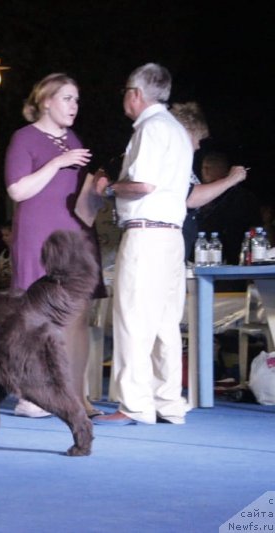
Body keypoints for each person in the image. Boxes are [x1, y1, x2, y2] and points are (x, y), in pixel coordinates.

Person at [92, 63, 193, 425]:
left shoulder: (150, 129)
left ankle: (133, 404)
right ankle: (167, 402)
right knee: (166, 322)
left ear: (135, 94)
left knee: (133, 318)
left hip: (146, 232)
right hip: (171, 235)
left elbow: (143, 185)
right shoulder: (177, 130)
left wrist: (109, 188)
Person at [5, 72, 107, 419]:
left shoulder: (72, 139)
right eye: (67, 98)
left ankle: (74, 395)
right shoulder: (25, 138)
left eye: (77, 99)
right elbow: (18, 190)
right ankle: (31, 395)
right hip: (39, 237)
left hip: (75, 237)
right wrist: (57, 163)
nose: (74, 106)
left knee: (76, 319)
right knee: (37, 316)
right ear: (45, 101)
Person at [169, 102, 250, 261]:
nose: (198, 146)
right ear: (186, 131)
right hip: (169, 244)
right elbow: (191, 198)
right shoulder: (170, 160)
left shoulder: (180, 163)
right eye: (197, 138)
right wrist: (230, 180)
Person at [195, 150, 259, 264]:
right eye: (203, 168)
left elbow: (254, 225)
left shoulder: (241, 196)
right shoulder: (201, 193)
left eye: (209, 167)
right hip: (203, 255)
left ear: (223, 170)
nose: (205, 171)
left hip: (234, 254)